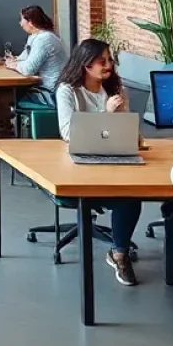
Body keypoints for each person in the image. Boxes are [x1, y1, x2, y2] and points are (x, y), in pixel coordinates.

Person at [55, 39, 143, 286]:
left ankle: (119, 253)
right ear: (85, 65)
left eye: (110, 60)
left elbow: (126, 133)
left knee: (131, 195)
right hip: (79, 166)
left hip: (115, 159)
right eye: (102, 61)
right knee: (125, 196)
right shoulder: (67, 90)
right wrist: (106, 115)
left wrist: (126, 121)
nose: (108, 66)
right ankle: (119, 252)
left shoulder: (112, 87)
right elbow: (69, 134)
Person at [0, 5, 68, 137]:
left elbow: (28, 69)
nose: (20, 23)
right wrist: (15, 60)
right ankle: (3, 122)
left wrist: (13, 65)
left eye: (22, 20)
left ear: (31, 22)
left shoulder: (44, 40)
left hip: (50, 93)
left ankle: (5, 125)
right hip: (40, 86)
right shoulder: (37, 37)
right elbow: (24, 58)